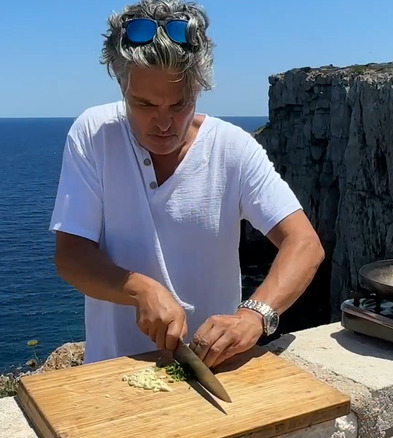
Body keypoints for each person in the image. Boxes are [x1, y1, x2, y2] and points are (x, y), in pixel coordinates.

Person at [49, 0, 324, 369]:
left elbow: (304, 243)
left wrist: (253, 316)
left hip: (214, 368)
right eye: (144, 105)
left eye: (180, 104)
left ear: (200, 87)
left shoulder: (232, 148)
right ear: (121, 84)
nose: (164, 123)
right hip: (113, 373)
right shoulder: (94, 134)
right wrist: (139, 289)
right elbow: (71, 256)